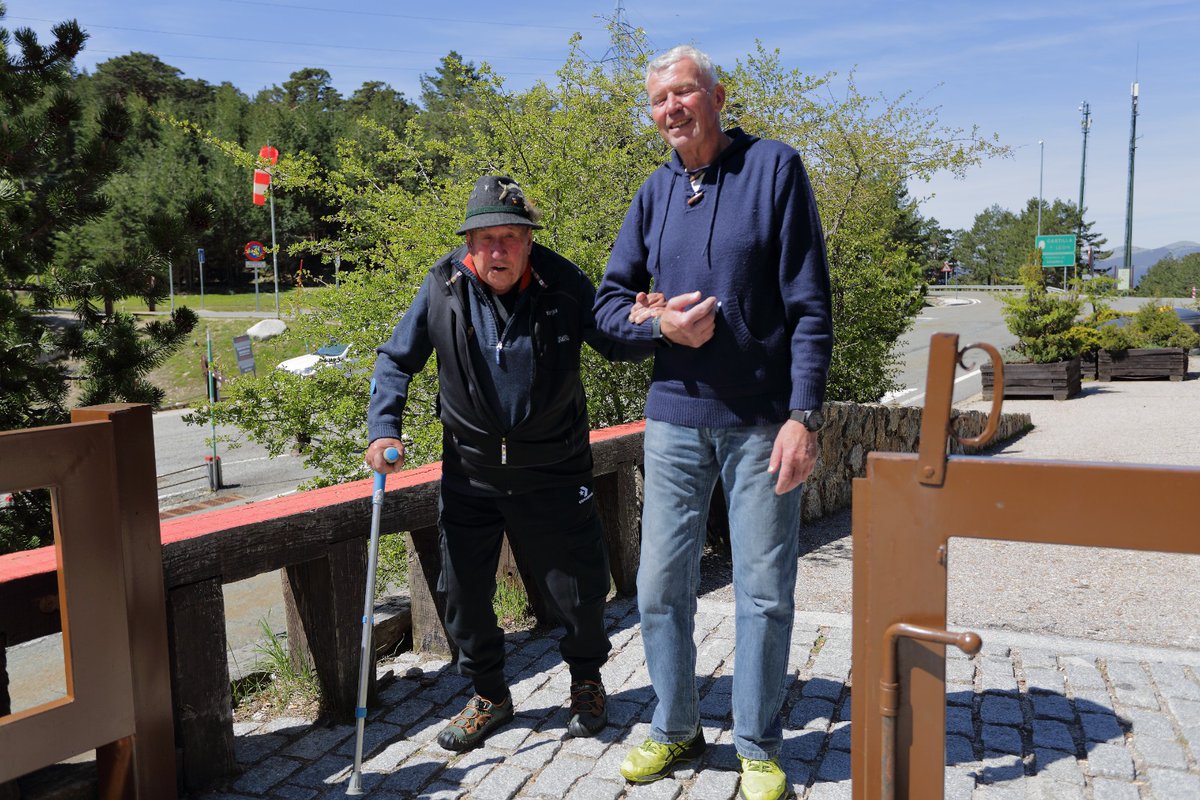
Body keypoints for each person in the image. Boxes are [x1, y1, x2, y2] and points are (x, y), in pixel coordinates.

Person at [592, 45, 833, 800]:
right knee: (659, 585)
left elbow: (810, 306)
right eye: (659, 99)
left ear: (718, 97)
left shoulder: (775, 170)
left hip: (763, 421)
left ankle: (758, 744)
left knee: (764, 589)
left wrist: (803, 415)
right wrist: (660, 330)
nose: (671, 109)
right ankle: (676, 727)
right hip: (673, 421)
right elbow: (606, 309)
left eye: (684, 93)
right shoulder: (653, 194)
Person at [366, 175, 651, 752]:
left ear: (528, 240)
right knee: (463, 594)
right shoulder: (443, 285)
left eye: (511, 237)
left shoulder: (563, 282)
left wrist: (648, 324)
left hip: (554, 468)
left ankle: (587, 681)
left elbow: (613, 342)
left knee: (577, 589)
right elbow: (397, 360)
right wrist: (383, 428)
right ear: (469, 243)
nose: (498, 250)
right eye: (486, 237)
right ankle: (490, 694)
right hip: (471, 474)